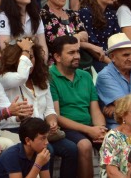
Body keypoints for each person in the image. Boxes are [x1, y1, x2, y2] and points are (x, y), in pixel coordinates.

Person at [49, 35, 108, 178]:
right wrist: (89, 130)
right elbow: (56, 116)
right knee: (84, 145)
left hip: (88, 127)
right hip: (66, 129)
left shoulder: (85, 76)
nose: (77, 56)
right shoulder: (49, 76)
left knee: (114, 140)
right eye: (71, 53)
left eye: (78, 52)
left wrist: (101, 130)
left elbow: (94, 109)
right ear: (57, 56)